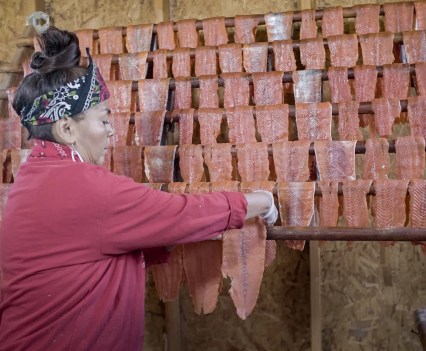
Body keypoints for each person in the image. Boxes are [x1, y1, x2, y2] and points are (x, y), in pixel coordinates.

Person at [0, 27, 278, 350]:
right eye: (103, 120)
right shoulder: (87, 190)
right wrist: (258, 202)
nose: (110, 133)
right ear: (66, 128)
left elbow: (82, 255)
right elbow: (180, 214)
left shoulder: (32, 177)